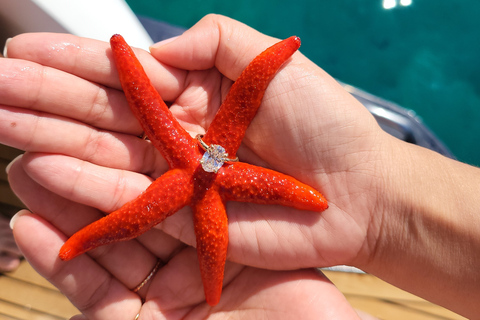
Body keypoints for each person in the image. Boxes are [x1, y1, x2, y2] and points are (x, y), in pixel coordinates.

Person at [1, 14, 479, 319]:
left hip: (205, 179)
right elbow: (153, 104)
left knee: (132, 197)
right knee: (127, 202)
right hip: (203, 179)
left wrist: (375, 205)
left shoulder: (206, 166)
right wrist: (376, 209)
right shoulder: (205, 166)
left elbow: (171, 105)